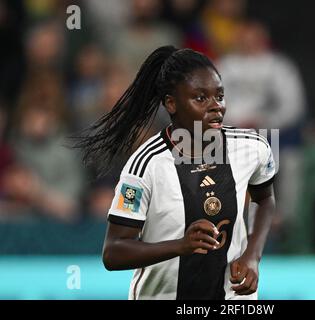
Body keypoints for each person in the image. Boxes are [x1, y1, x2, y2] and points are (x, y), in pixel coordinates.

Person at [75, 45, 277, 300]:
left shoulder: (252, 148)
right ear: (171, 103)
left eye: (220, 95)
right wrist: (180, 246)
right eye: (201, 98)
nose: (217, 107)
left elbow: (264, 198)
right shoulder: (146, 165)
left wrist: (252, 256)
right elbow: (113, 253)